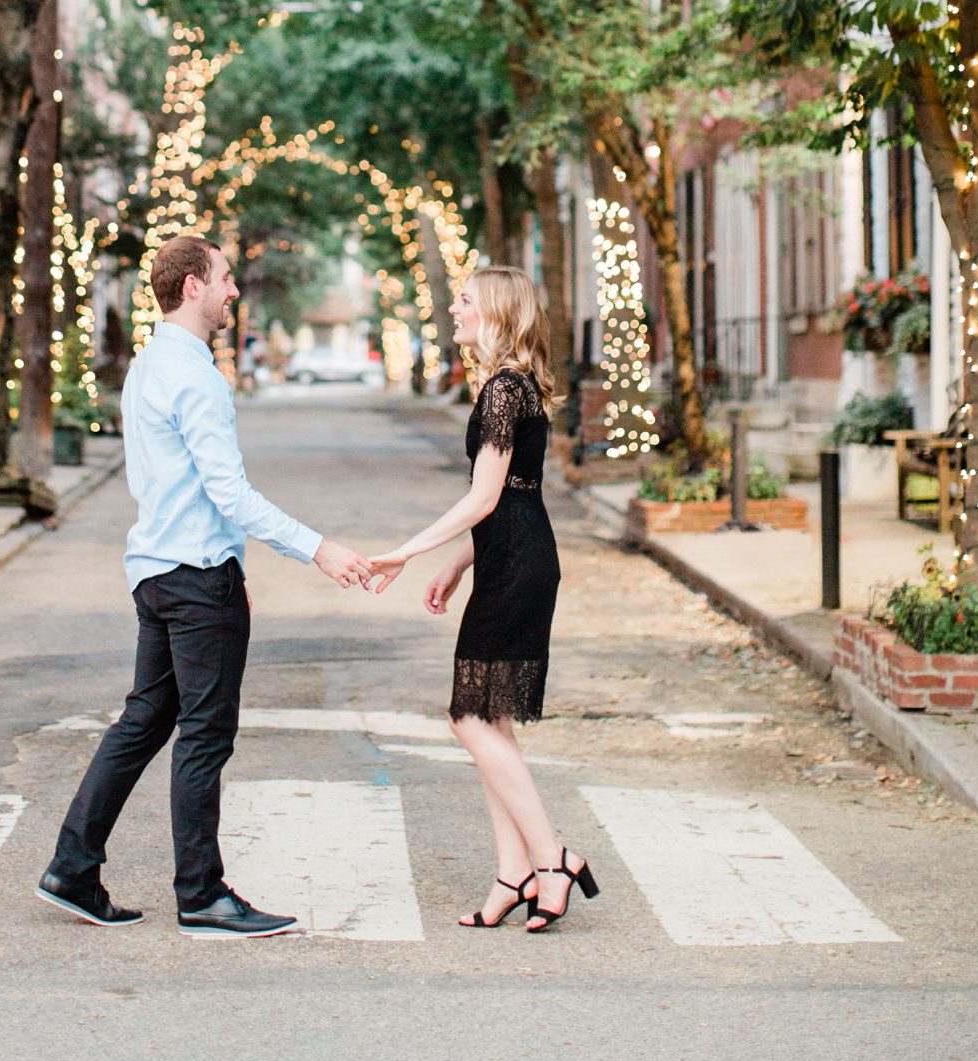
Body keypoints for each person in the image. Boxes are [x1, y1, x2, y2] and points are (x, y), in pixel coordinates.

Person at [37, 232, 373, 939]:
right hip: (196, 580)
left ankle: (72, 866)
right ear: (192, 286)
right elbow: (228, 492)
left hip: (157, 572)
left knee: (144, 722)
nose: (232, 291)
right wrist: (318, 549)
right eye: (223, 277)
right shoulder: (195, 376)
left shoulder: (149, 366)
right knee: (204, 736)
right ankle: (201, 895)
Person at [370, 267, 600, 932]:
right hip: (511, 558)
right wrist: (455, 562)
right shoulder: (509, 385)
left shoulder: (504, 389)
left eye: (465, 301)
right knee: (490, 721)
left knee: (469, 720)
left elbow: (486, 497)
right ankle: (513, 875)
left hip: (517, 567)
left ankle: (553, 857)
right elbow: (513, 499)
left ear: (497, 313)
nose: (453, 309)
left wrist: (404, 553)